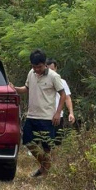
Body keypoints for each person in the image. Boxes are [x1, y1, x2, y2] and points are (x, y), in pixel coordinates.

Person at [14, 49, 66, 177]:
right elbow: (26, 88)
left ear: (45, 64)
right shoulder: (31, 73)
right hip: (32, 115)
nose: (37, 69)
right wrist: (13, 88)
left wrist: (57, 113)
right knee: (27, 141)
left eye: (39, 67)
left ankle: (44, 171)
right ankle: (45, 165)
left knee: (46, 146)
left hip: (47, 117)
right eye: (34, 67)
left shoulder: (54, 76)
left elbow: (63, 95)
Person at [46, 58, 75, 143]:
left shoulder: (62, 82)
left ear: (56, 68)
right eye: (48, 70)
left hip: (58, 116)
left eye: (52, 69)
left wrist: (71, 113)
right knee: (45, 141)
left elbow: (67, 98)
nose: (51, 72)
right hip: (45, 116)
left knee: (57, 141)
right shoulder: (41, 82)